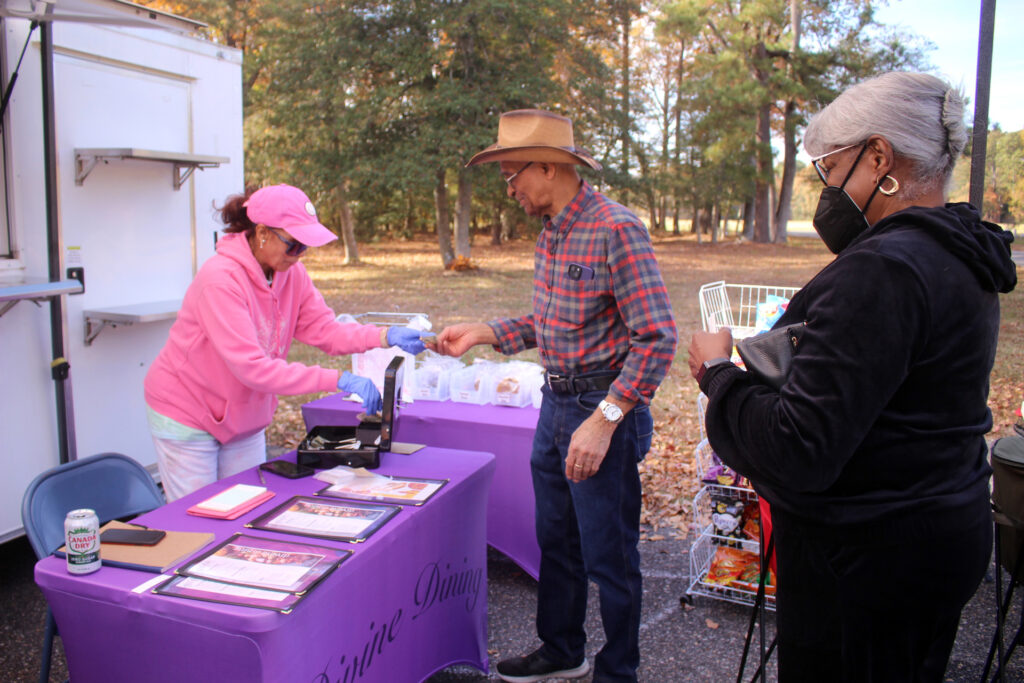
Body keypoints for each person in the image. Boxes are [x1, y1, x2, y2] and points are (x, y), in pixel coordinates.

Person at [688, 72, 1017, 682]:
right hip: (939, 527)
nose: (826, 190)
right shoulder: (958, 252)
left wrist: (717, 374)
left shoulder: (885, 270)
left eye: (829, 170)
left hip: (871, 561)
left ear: (879, 157)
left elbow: (797, 450)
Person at [436, 109, 677, 683]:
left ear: (549, 166)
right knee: (556, 541)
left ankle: (618, 671)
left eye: (512, 174)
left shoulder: (616, 229)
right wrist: (486, 332)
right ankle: (561, 649)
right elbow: (553, 324)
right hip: (555, 404)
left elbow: (657, 337)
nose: (510, 188)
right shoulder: (552, 233)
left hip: (602, 409)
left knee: (610, 557)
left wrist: (605, 419)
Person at [144, 184, 427, 501]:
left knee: (246, 505)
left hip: (241, 414)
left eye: (305, 246)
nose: (300, 255)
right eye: (293, 245)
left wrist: (383, 335)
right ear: (262, 232)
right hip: (188, 410)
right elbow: (253, 368)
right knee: (199, 515)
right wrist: (338, 379)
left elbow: (324, 329)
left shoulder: (291, 274)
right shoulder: (220, 280)